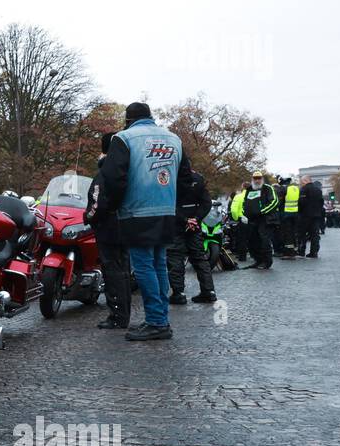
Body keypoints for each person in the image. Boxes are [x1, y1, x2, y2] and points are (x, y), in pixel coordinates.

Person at [95, 102, 194, 342]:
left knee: (143, 267)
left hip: (137, 212)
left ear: (128, 120)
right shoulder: (174, 139)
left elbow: (113, 177)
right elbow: (185, 179)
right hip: (166, 212)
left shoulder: (124, 138)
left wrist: (113, 206)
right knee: (159, 264)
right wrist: (176, 207)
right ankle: (161, 318)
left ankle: (156, 321)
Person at [85, 132, 131, 330]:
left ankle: (117, 315)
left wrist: (88, 217)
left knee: (112, 271)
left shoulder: (104, 172)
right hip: (125, 226)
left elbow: (98, 201)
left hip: (108, 227)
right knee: (123, 271)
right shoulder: (128, 170)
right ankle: (123, 312)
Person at [167, 167, 216, 304]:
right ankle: (209, 291)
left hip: (177, 223)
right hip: (194, 224)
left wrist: (184, 219)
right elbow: (207, 202)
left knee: (175, 257)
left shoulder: (170, 178)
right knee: (199, 257)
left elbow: (169, 202)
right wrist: (196, 218)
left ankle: (179, 293)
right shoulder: (198, 178)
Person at [241, 171, 278, 269]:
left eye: (259, 178)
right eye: (255, 178)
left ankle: (267, 262)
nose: (257, 180)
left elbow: (274, 201)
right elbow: (245, 202)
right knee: (253, 241)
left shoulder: (267, 188)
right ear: (252, 179)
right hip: (252, 220)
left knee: (264, 240)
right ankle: (258, 260)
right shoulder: (249, 190)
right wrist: (244, 213)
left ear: (262, 179)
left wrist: (262, 211)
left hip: (266, 219)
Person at [296, 177, 324, 258]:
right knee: (314, 235)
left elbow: (301, 202)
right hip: (316, 216)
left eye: (302, 182)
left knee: (302, 234)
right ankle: (314, 252)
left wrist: (299, 211)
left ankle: (301, 251)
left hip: (305, 215)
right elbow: (321, 202)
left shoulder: (303, 189)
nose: (301, 183)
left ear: (305, 181)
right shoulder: (318, 190)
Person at [277, 177, 300, 258]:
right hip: (295, 213)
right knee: (294, 232)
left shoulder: (283, 189)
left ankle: (288, 252)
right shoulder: (296, 188)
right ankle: (295, 249)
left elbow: (279, 202)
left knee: (287, 233)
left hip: (285, 214)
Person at [228, 186, 250, 263]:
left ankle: (242, 257)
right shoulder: (255, 196)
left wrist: (236, 218)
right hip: (253, 219)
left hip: (242, 219)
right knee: (255, 238)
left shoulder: (238, 196)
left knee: (242, 239)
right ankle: (257, 256)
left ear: (243, 188)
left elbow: (233, 210)